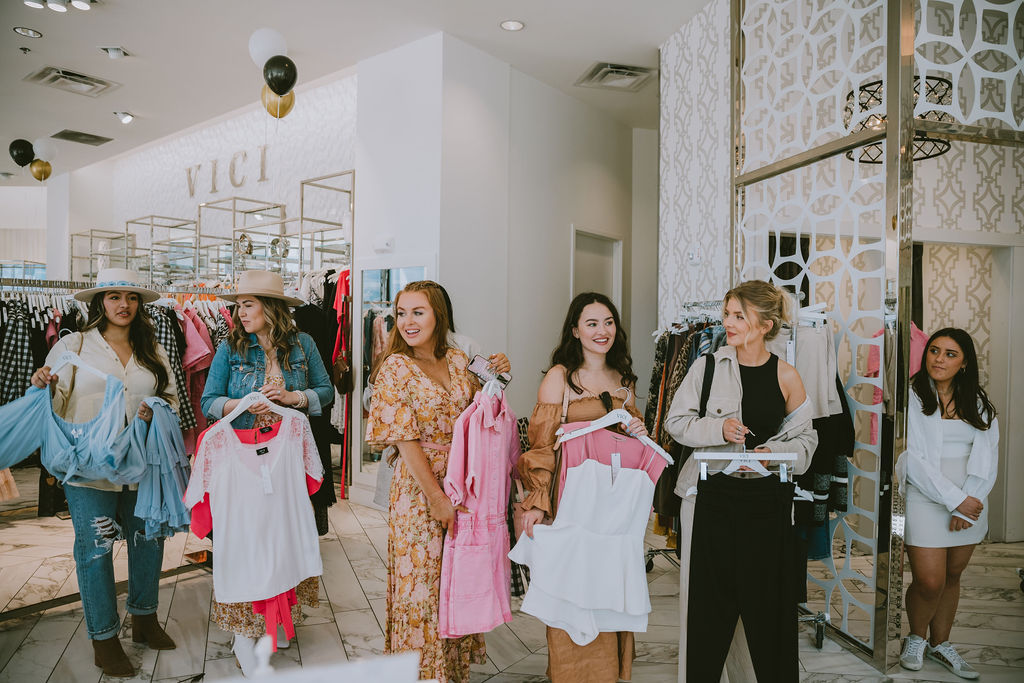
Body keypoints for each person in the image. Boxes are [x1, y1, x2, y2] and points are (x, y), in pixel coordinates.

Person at [663, 279, 817, 683]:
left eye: (737, 316)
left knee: (768, 605)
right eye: (726, 314)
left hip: (767, 503)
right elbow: (674, 423)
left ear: (765, 324)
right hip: (709, 499)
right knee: (707, 608)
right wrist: (719, 429)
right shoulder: (708, 366)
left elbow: (807, 439)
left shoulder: (787, 375)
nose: (726, 323)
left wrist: (777, 455)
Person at [29, 268, 179, 678]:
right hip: (89, 468)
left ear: (140, 304)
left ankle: (145, 620)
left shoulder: (153, 349)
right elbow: (53, 396)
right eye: (114, 297)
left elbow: (171, 398)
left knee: (148, 542)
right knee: (95, 550)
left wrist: (156, 409)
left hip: (143, 466)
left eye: (130, 297)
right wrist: (43, 381)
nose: (123, 305)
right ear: (100, 303)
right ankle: (104, 639)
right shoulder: (73, 344)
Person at [365, 280, 510, 683]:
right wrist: (435, 496)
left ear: (438, 316)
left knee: (458, 577)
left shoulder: (461, 360)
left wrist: (502, 371)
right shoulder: (395, 366)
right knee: (421, 589)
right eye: (401, 313)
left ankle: (452, 672)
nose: (408, 322)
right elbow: (404, 440)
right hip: (419, 488)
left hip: (465, 482)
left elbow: (490, 407)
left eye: (418, 312)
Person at [516, 292, 648, 683]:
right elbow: (540, 444)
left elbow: (631, 441)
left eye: (608, 322)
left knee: (609, 585)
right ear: (575, 330)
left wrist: (637, 430)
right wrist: (538, 501)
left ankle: (609, 674)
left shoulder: (624, 380)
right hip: (572, 501)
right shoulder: (560, 377)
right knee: (571, 588)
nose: (602, 331)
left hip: (613, 506)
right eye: (591, 323)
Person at [199, 270, 334, 649]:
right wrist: (242, 403)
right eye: (238, 305)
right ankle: (250, 623)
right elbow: (208, 401)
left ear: (270, 307)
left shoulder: (303, 344)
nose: (240, 313)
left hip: (287, 457)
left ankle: (281, 619)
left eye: (248, 304)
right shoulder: (230, 348)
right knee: (248, 539)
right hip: (244, 458)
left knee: (285, 537)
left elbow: (326, 391)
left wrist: (295, 398)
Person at [897, 328, 998, 679]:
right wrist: (955, 502)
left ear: (964, 362)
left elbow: (986, 456)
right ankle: (915, 638)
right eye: (934, 351)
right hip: (927, 498)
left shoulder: (979, 402)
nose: (939, 359)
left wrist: (969, 500)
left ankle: (941, 644)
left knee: (953, 575)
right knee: (929, 580)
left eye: (950, 354)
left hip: (971, 501)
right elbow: (912, 459)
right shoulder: (910, 395)